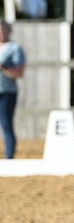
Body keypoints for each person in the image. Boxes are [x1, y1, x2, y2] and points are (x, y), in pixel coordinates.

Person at [0, 20, 26, 159]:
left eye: (2, 29)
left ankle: (9, 157)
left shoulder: (14, 48)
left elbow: (19, 73)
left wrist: (3, 68)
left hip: (6, 92)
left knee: (6, 124)